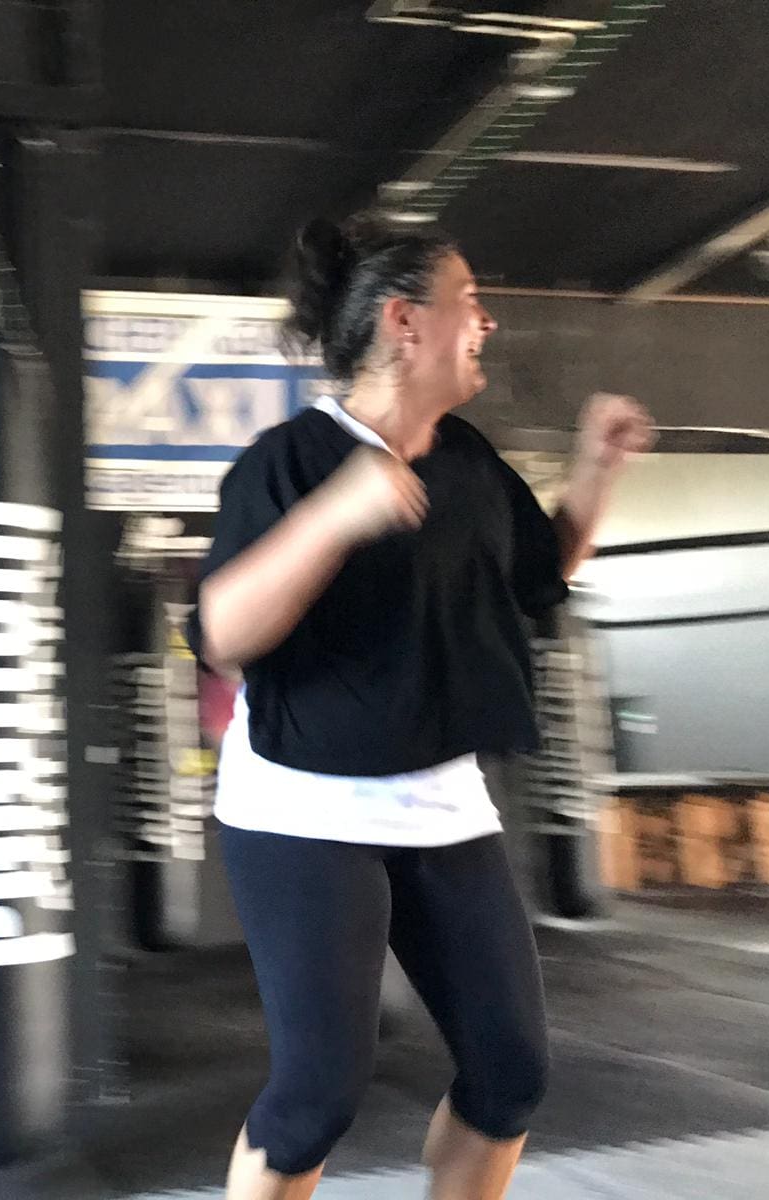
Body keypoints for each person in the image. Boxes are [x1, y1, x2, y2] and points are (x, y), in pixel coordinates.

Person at [188, 216, 653, 1200]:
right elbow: (222, 631)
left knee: (510, 1073)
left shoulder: (467, 460)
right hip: (302, 808)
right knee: (317, 1094)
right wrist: (335, 516)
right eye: (467, 302)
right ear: (404, 323)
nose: (486, 321)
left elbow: (540, 572)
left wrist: (596, 469)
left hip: (439, 800)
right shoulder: (288, 461)